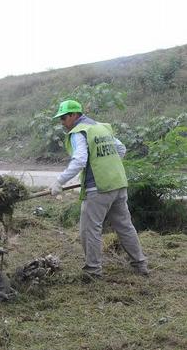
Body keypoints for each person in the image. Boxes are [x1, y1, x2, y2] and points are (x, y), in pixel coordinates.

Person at [50, 100, 148, 280]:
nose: (62, 122)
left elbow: (79, 160)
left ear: (74, 115)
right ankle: (140, 264)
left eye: (63, 118)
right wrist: (108, 167)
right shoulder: (101, 127)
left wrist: (59, 181)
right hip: (118, 184)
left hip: (98, 189)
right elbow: (121, 148)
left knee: (90, 229)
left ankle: (93, 272)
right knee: (125, 226)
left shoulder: (79, 132)